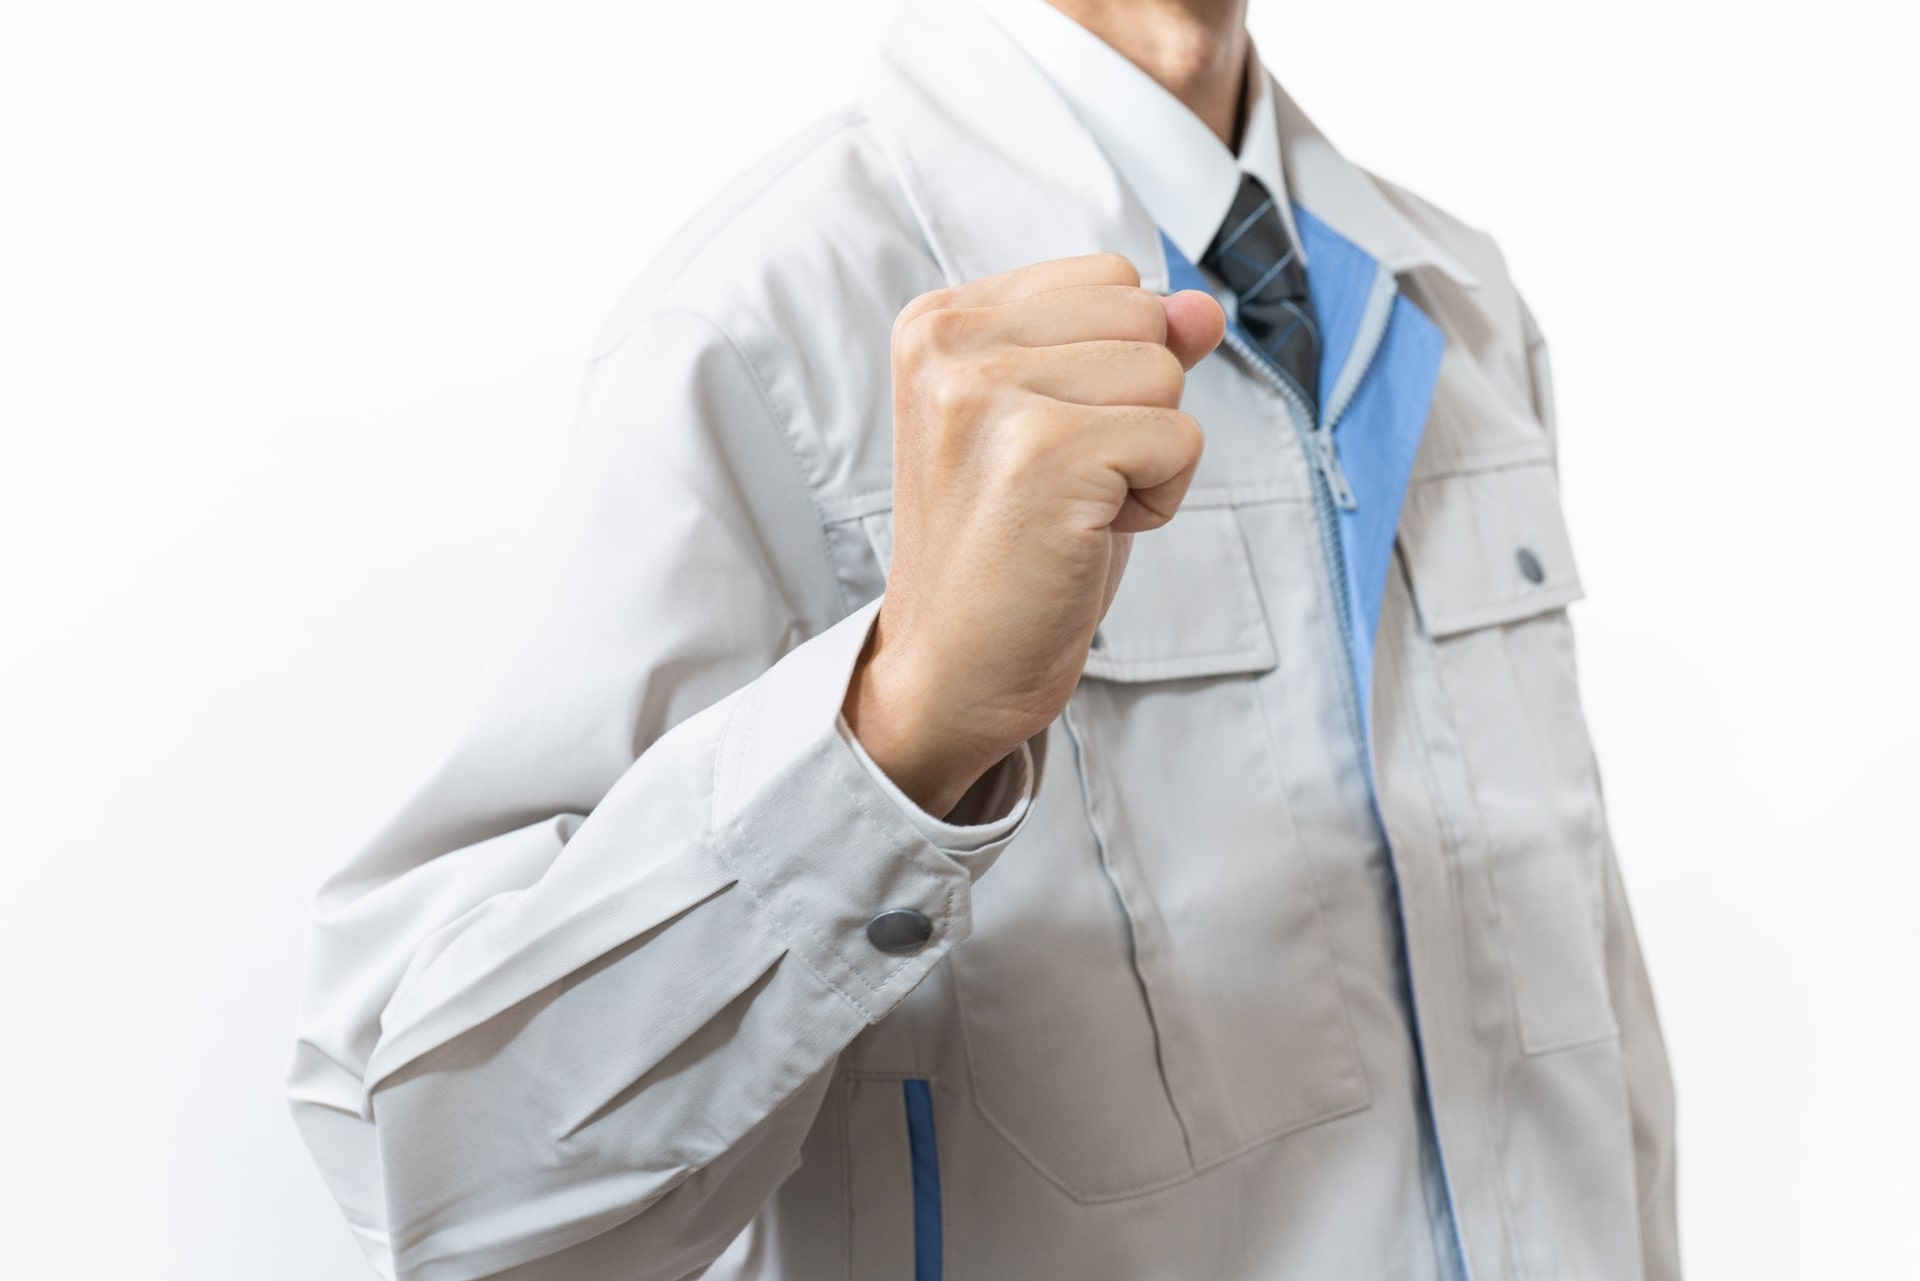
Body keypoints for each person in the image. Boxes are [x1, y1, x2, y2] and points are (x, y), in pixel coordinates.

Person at [284, 0, 1679, 1277]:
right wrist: (897, 729)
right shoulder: (763, 333)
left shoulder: (1460, 302)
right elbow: (444, 1201)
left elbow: (1594, 1061)